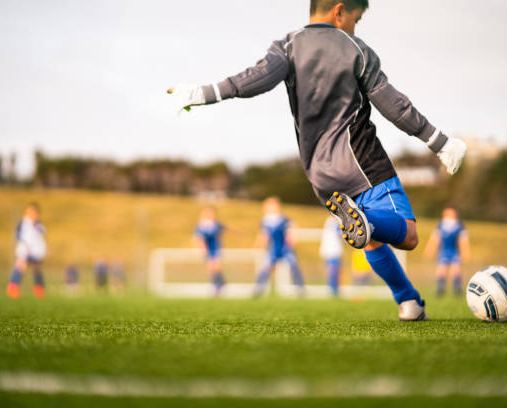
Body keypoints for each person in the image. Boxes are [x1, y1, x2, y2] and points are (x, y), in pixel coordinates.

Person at [167, 0, 466, 320]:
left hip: (320, 175)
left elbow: (252, 80)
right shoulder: (356, 49)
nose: (355, 27)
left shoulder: (287, 46)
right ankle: (370, 225)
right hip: (361, 161)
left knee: (370, 240)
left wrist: (201, 93)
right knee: (407, 235)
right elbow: (394, 105)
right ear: (339, 11)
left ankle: (409, 302)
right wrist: (440, 142)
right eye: (356, 18)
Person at [253, 197, 305, 297]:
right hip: (273, 249)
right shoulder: (265, 220)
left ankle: (300, 289)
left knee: (294, 267)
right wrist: (259, 244)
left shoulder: (283, 218)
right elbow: (264, 235)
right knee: (266, 268)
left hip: (285, 248)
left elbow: (292, 228)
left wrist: (293, 238)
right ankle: (258, 289)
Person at [424, 207, 471, 296]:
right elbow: (435, 239)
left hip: (454, 251)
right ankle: (440, 289)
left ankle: (457, 290)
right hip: (444, 251)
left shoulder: (459, 225)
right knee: (441, 270)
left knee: (456, 270)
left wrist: (466, 252)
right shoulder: (441, 224)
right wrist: (429, 250)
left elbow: (463, 240)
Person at [6, 202, 47, 299]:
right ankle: (13, 287)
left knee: (37, 268)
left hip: (36, 250)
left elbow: (42, 234)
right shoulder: (23, 223)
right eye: (29, 212)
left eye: (33, 212)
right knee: (21, 265)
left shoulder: (38, 224)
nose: (31, 214)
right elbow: (17, 234)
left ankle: (39, 288)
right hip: (24, 249)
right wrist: (24, 245)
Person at [193, 207, 226, 295]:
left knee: (216, 268)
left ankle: (219, 285)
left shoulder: (216, 224)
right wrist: (202, 248)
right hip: (207, 251)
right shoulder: (201, 226)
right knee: (211, 269)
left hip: (216, 249)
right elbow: (198, 238)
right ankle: (219, 285)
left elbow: (224, 228)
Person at [320, 216, 343, 296]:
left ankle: (333, 290)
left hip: (328, 250)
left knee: (332, 272)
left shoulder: (329, 221)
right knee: (334, 272)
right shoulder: (335, 222)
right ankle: (334, 290)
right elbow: (340, 234)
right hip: (333, 251)